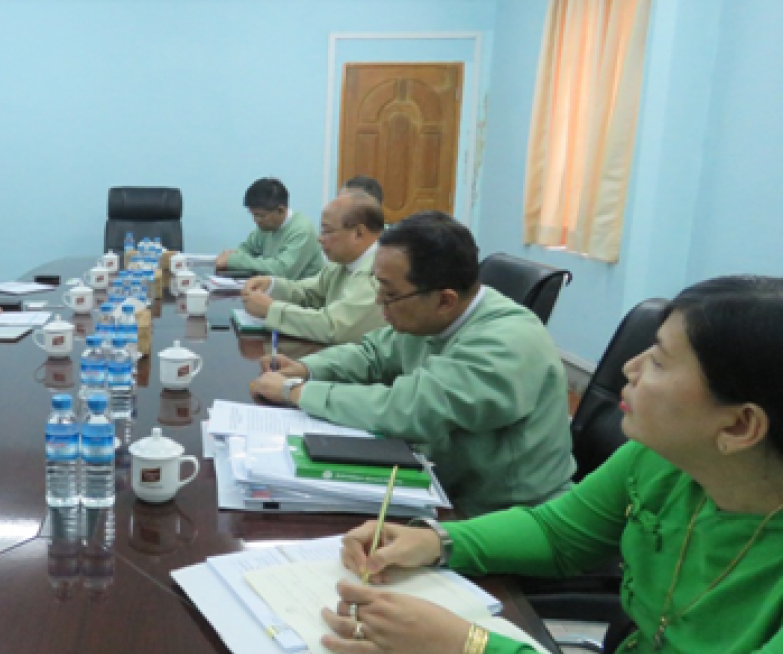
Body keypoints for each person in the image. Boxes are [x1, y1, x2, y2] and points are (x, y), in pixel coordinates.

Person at [321, 276, 783, 654]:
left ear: (740, 425)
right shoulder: (661, 459)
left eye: (659, 362)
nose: (631, 368)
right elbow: (558, 533)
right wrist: (435, 540)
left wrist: (470, 646)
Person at [251, 211, 573, 516]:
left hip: (502, 514)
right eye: (378, 286)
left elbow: (410, 409)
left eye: (390, 294)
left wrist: (297, 392)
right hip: (443, 485)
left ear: (444, 300)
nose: (379, 300)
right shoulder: (434, 316)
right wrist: (309, 368)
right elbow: (374, 353)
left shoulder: (506, 342)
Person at [240, 192, 386, 344]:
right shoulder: (343, 263)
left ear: (358, 233)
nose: (319, 238)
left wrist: (271, 310)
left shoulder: (379, 274)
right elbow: (309, 293)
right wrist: (271, 285)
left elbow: (333, 327)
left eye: (327, 231)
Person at [216, 177, 324, 279]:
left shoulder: (302, 230)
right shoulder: (266, 227)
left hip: (302, 292)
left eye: (261, 215)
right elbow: (246, 249)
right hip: (275, 290)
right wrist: (231, 256)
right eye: (253, 214)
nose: (256, 220)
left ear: (281, 210)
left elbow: (282, 271)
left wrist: (234, 261)